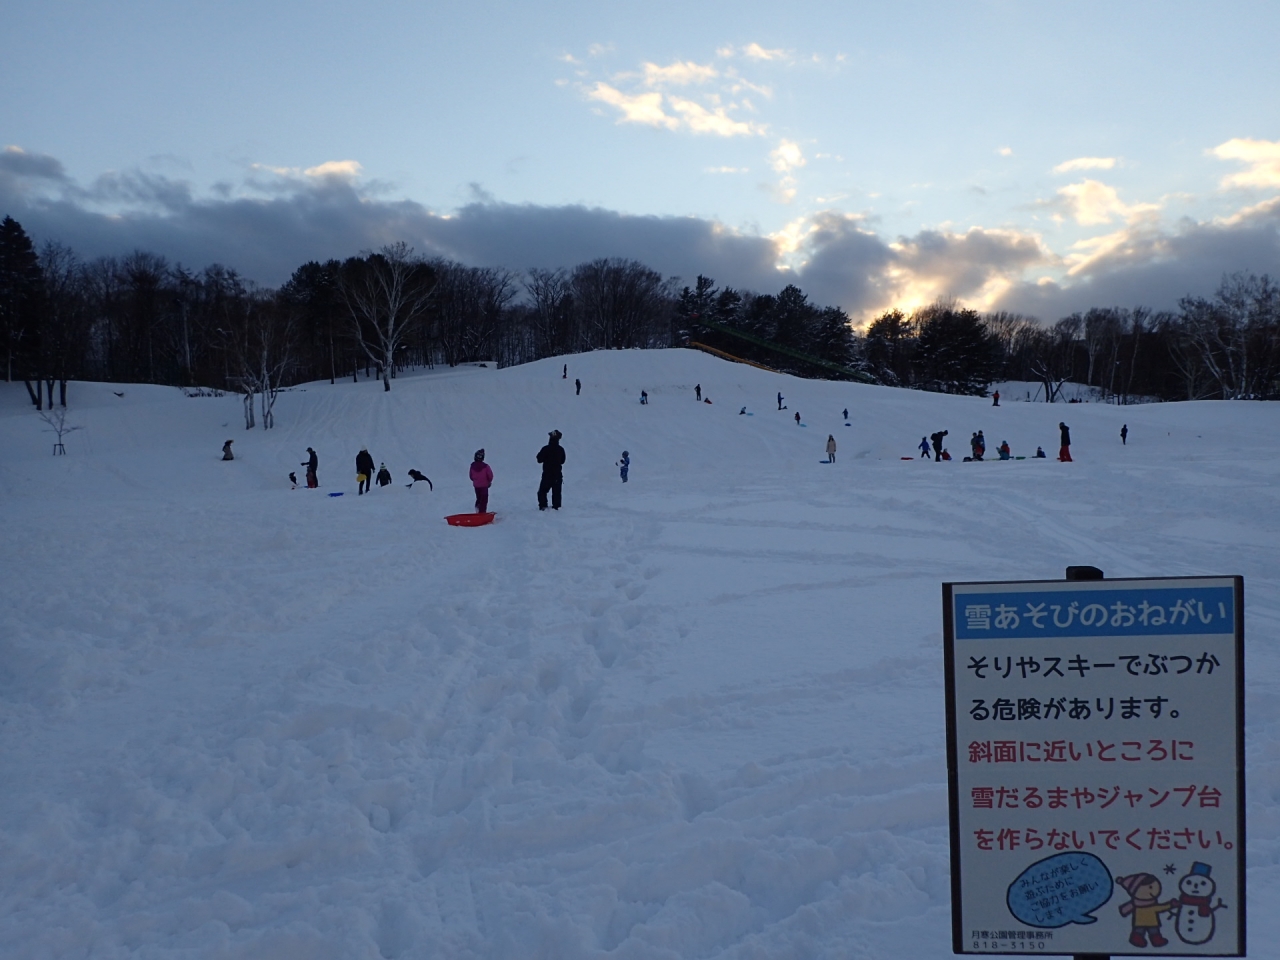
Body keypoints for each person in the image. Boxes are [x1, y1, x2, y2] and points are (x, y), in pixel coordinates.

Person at [1116, 873, 1176, 949]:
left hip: (1151, 922)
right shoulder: (1136, 904)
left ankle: (1156, 940)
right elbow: (1160, 908)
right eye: (1150, 887)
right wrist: (1170, 905)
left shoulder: (1150, 904)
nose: (1155, 890)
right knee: (1139, 932)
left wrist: (1170, 905)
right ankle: (1137, 939)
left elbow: (1160, 908)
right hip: (1141, 922)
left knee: (1154, 932)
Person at [536, 429, 566, 510]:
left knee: (542, 492)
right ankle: (557, 508)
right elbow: (563, 461)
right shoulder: (561, 449)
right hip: (557, 475)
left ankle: (543, 507)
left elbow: (539, 459)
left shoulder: (545, 449)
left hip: (547, 475)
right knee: (556, 493)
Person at [470, 449, 493, 513]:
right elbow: (490, 475)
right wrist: (489, 481)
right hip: (484, 485)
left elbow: (471, 476)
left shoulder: (472, 466)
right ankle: (482, 512)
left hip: (476, 486)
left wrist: (475, 480)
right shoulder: (486, 466)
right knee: (484, 499)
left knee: (479, 498)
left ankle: (477, 508)